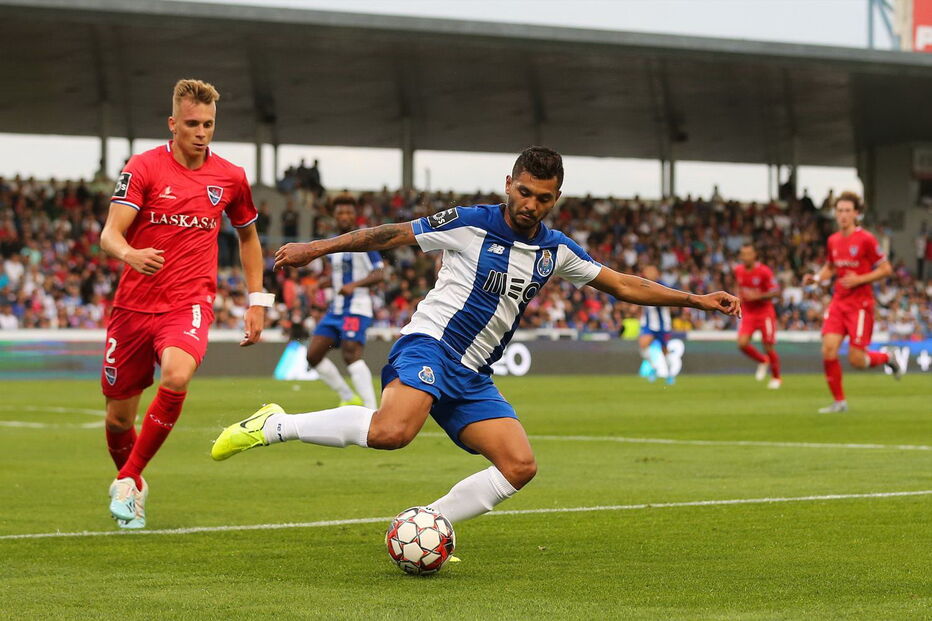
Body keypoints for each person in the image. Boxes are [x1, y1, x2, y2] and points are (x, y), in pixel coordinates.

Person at [212, 147, 740, 527]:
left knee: (519, 466)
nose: (531, 204)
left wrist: (695, 300)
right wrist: (317, 247)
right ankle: (274, 425)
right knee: (393, 431)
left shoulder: (556, 250)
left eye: (544, 198)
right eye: (524, 191)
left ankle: (428, 524)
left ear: (557, 199)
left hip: (473, 374)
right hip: (430, 344)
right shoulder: (470, 223)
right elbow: (394, 234)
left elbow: (624, 284)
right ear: (508, 183)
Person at [100, 79, 272, 529]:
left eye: (209, 124)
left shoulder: (231, 177)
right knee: (119, 420)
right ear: (173, 124)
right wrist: (130, 254)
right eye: (192, 123)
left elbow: (248, 236)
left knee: (177, 375)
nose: (201, 132)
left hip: (188, 303)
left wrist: (258, 300)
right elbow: (109, 234)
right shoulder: (142, 168)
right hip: (132, 308)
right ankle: (132, 481)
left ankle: (129, 479)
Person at [803, 191, 901, 414]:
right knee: (828, 350)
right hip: (839, 301)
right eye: (839, 211)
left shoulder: (866, 239)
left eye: (848, 211)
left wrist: (860, 278)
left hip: (861, 305)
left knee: (856, 360)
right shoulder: (833, 240)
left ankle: (888, 357)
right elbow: (831, 267)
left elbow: (886, 269)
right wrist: (817, 278)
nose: (843, 215)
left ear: (856, 213)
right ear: (835, 213)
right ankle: (840, 402)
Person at [306, 194, 384, 409]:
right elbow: (339, 276)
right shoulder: (332, 245)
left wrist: (354, 286)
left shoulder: (364, 240)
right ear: (334, 215)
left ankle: (371, 409)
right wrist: (323, 283)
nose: (344, 216)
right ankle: (348, 396)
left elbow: (379, 274)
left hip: (357, 308)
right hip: (335, 310)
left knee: (350, 353)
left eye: (349, 212)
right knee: (313, 355)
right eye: (340, 212)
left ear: (355, 215)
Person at [734, 244, 782, 389]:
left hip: (764, 312)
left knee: (768, 345)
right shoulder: (738, 270)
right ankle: (763, 360)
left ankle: (776, 377)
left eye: (749, 254)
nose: (746, 257)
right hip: (748, 312)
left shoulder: (764, 271)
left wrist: (759, 296)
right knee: (742, 343)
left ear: (755, 255)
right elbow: (739, 286)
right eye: (743, 254)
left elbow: (776, 291)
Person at [637, 265, 675, 385]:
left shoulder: (663, 286)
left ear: (657, 273)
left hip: (663, 326)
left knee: (665, 350)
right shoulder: (643, 285)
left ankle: (670, 374)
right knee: (642, 344)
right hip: (649, 324)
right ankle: (653, 367)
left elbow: (670, 301)